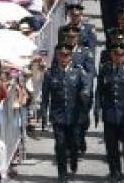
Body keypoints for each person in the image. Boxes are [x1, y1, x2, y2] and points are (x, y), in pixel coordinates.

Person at [40, 44, 92, 182]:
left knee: (74, 142)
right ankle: (62, 173)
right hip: (58, 116)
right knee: (60, 145)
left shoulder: (78, 72)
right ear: (57, 56)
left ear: (70, 57)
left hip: (75, 115)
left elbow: (86, 86)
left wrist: (85, 93)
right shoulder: (50, 73)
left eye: (66, 55)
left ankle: (74, 159)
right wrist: (43, 113)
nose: (64, 58)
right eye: (61, 55)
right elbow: (45, 96)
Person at [94, 44, 124, 181]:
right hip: (109, 113)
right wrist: (97, 107)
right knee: (111, 146)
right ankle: (115, 171)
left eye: (120, 54)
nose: (117, 57)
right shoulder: (105, 69)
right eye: (115, 54)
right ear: (111, 55)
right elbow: (99, 90)